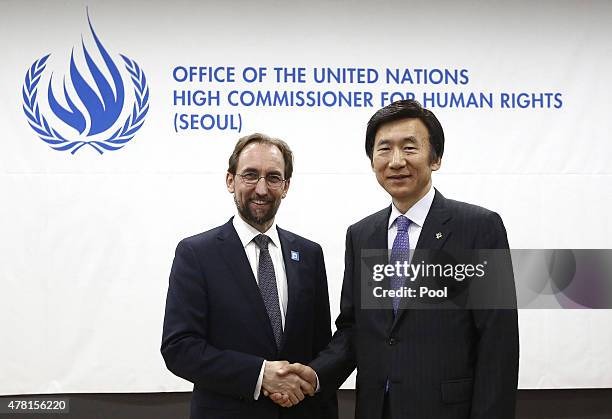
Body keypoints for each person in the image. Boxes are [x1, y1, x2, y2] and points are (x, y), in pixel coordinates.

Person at [272, 100, 519, 419]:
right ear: (372, 159)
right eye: (384, 149)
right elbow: (354, 330)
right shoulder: (362, 235)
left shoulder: (478, 228)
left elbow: (498, 342)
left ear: (436, 158)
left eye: (410, 147)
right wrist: (316, 375)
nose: (396, 161)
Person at [161, 133, 338, 419]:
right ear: (230, 181)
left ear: (286, 186)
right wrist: (259, 374)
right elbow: (179, 348)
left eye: (273, 178)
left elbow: (320, 347)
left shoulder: (309, 254)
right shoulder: (196, 253)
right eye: (250, 175)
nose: (261, 189)